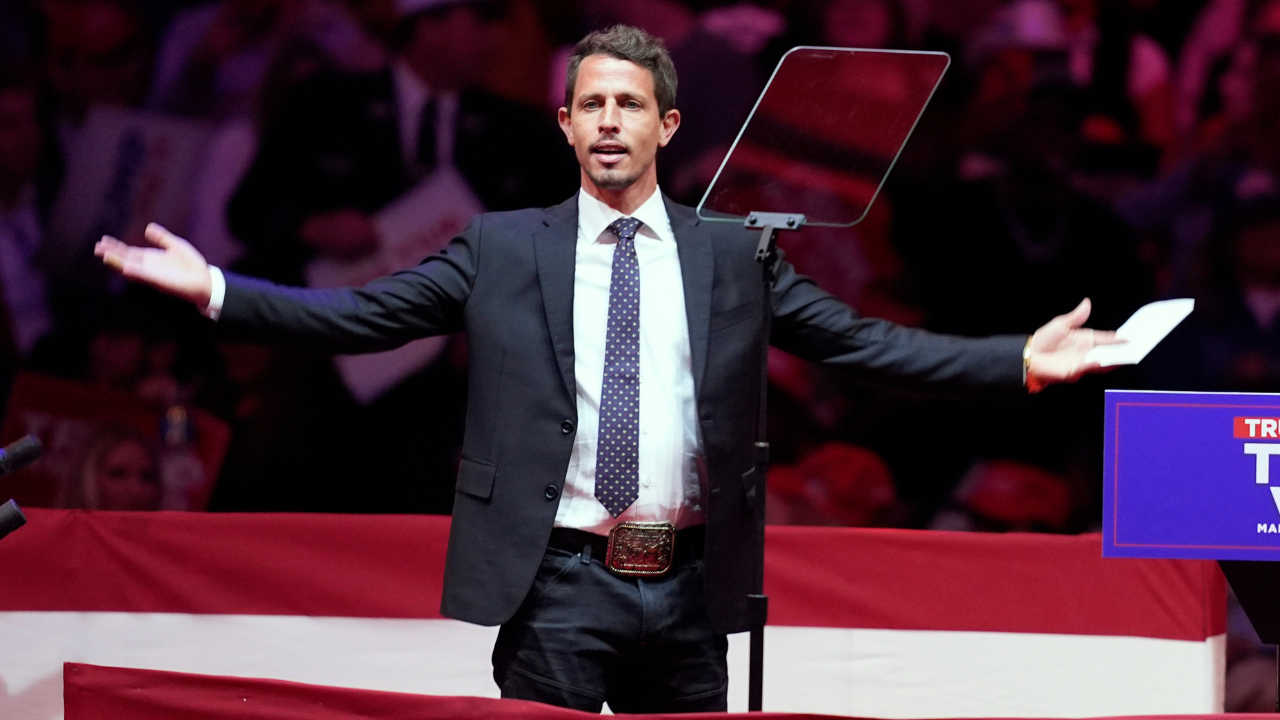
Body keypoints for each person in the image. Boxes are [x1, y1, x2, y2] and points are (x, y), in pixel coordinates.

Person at [95, 24, 1116, 713]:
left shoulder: (731, 254)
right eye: (590, 105)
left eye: (629, 104)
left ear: (666, 126)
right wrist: (216, 290)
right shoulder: (501, 247)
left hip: (686, 588)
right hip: (558, 585)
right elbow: (361, 317)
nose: (609, 121)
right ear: (565, 125)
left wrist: (1018, 358)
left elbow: (865, 343)